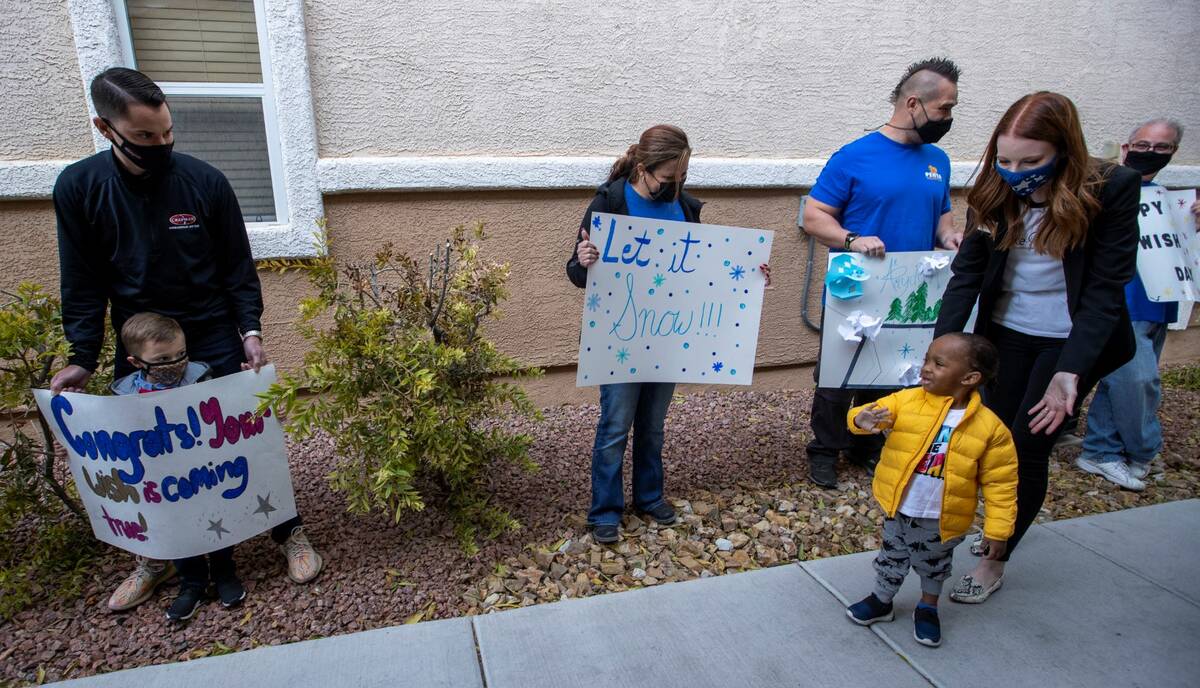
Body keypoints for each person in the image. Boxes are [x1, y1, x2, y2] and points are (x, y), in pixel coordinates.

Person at [50, 67, 322, 613]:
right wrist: (81, 356)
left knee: (246, 440)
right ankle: (156, 557)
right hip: (140, 344)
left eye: (168, 132)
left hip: (212, 335)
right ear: (106, 129)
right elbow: (81, 282)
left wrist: (250, 331)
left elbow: (238, 270)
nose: (162, 145)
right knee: (150, 459)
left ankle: (286, 530)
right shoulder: (79, 189)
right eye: (146, 137)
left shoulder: (205, 182)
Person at [934, 92, 1141, 603]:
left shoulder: (1112, 188)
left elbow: (1104, 292)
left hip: (1069, 340)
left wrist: (1070, 372)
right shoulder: (991, 188)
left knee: (1027, 448)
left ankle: (994, 557)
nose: (1014, 171)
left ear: (1064, 152)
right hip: (1005, 334)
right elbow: (968, 274)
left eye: (1030, 162)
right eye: (1005, 160)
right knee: (990, 439)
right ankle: (982, 521)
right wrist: (943, 343)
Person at [567, 124, 769, 544]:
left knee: (654, 425)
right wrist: (584, 259)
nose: (673, 187)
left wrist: (750, 275)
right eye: (667, 179)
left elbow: (706, 268)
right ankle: (605, 510)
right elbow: (576, 272)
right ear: (642, 168)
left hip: (667, 337)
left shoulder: (686, 206)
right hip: (620, 339)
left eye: (681, 179)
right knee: (615, 425)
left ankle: (648, 496)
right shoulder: (611, 202)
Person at [802, 57, 964, 489]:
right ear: (914, 103)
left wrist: (950, 239)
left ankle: (866, 446)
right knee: (840, 375)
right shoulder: (855, 156)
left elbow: (942, 219)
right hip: (856, 287)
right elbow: (814, 217)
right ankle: (824, 450)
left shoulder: (939, 161)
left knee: (892, 371)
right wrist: (853, 238)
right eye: (944, 108)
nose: (948, 118)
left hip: (912, 289)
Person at [844, 333, 1017, 647]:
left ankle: (927, 607)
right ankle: (882, 600)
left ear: (969, 377)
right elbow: (870, 412)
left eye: (938, 363)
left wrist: (998, 530)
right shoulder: (907, 401)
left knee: (934, 565)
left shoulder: (990, 428)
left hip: (942, 515)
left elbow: (1001, 483)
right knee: (891, 556)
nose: (925, 368)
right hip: (900, 504)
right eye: (926, 359)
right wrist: (861, 417)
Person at [1076, 119, 1199, 490]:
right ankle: (1144, 449)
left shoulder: (1169, 199)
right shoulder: (1102, 189)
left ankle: (1100, 449)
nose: (1151, 153)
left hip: (1159, 301)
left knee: (1120, 382)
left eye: (1162, 148)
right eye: (1143, 145)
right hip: (1120, 304)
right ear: (1127, 148)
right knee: (1139, 381)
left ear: (1174, 152)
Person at [110, 313, 244, 621]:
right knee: (179, 531)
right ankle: (192, 584)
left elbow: (226, 410)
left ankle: (225, 574)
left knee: (217, 521)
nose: (176, 362)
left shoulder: (200, 378)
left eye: (181, 354)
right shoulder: (125, 394)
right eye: (163, 358)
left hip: (204, 473)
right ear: (136, 362)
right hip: (163, 481)